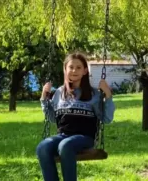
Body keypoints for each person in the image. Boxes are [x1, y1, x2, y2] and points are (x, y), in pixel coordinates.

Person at [37, 52, 115, 181]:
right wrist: (43, 98)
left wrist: (108, 95)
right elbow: (52, 118)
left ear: (85, 71)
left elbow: (106, 118)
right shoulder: (59, 93)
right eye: (71, 67)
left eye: (79, 67)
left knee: (65, 145)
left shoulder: (94, 94)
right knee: (43, 147)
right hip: (63, 135)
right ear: (65, 70)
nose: (74, 70)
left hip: (85, 137)